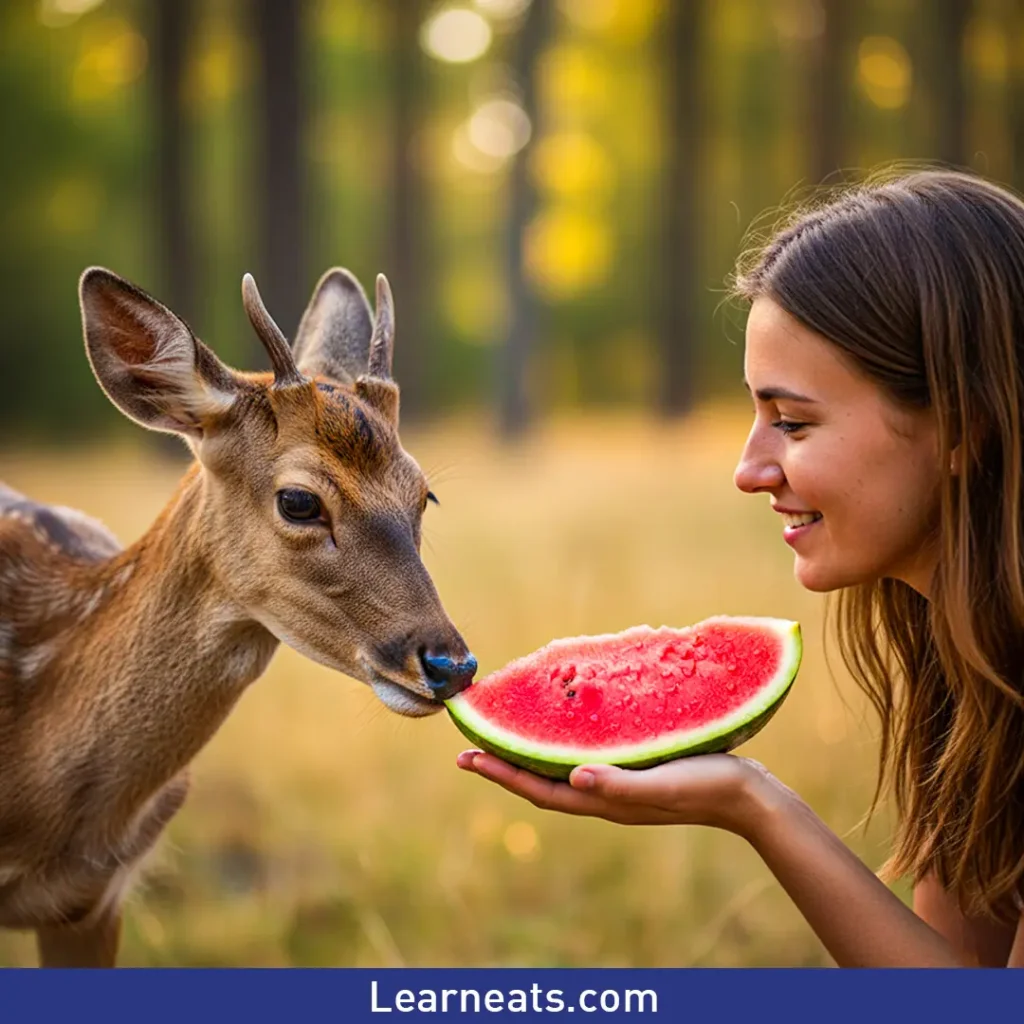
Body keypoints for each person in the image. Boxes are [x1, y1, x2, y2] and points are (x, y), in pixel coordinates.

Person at [456, 170, 1024, 967]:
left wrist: (756, 805)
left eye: (791, 422)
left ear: (965, 425)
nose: (749, 469)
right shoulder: (972, 665)